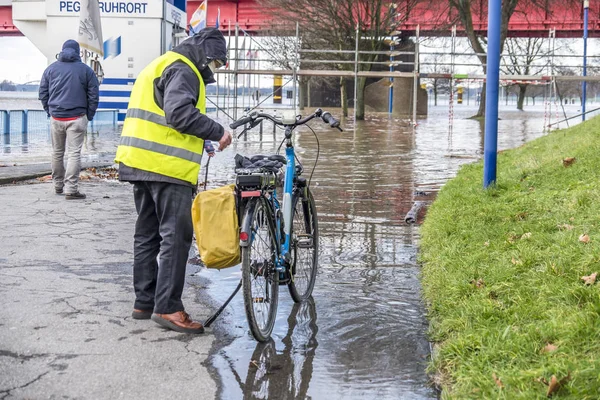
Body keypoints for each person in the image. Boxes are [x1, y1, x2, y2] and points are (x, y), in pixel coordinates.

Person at [114, 27, 233, 334]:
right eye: (217, 63)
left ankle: (145, 302)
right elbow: (178, 115)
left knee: (147, 235)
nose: (216, 70)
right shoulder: (185, 69)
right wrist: (218, 132)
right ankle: (168, 308)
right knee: (176, 238)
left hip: (140, 163)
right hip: (167, 169)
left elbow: (163, 115)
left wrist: (201, 140)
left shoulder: (162, 63)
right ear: (206, 55)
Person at [39, 39, 99, 200]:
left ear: (62, 50)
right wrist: (89, 115)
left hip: (56, 117)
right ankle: (71, 189)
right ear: (78, 52)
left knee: (57, 152)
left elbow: (43, 94)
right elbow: (94, 96)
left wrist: (50, 111)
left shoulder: (50, 69)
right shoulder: (86, 71)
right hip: (77, 118)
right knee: (74, 153)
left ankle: (58, 186)